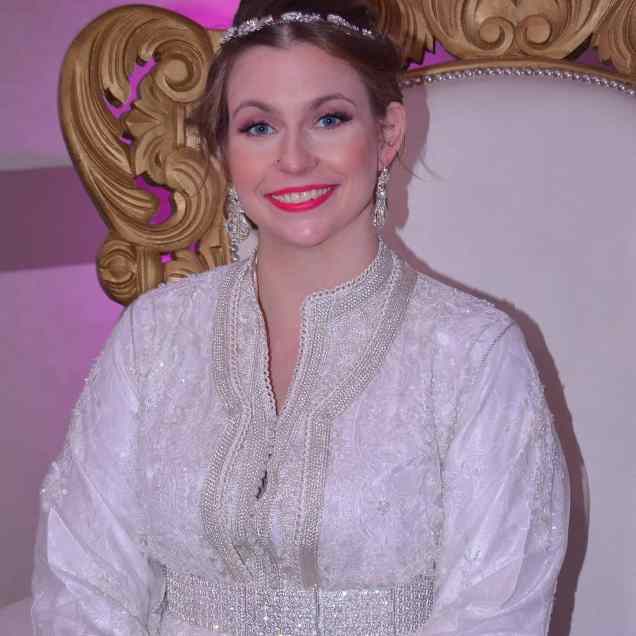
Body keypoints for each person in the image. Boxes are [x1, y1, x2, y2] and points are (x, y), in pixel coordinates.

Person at [31, 1, 569, 634]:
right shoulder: (154, 337)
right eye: (258, 127)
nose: (293, 159)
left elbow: (493, 615)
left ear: (387, 133)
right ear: (223, 148)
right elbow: (84, 583)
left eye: (329, 119)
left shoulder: (472, 355)